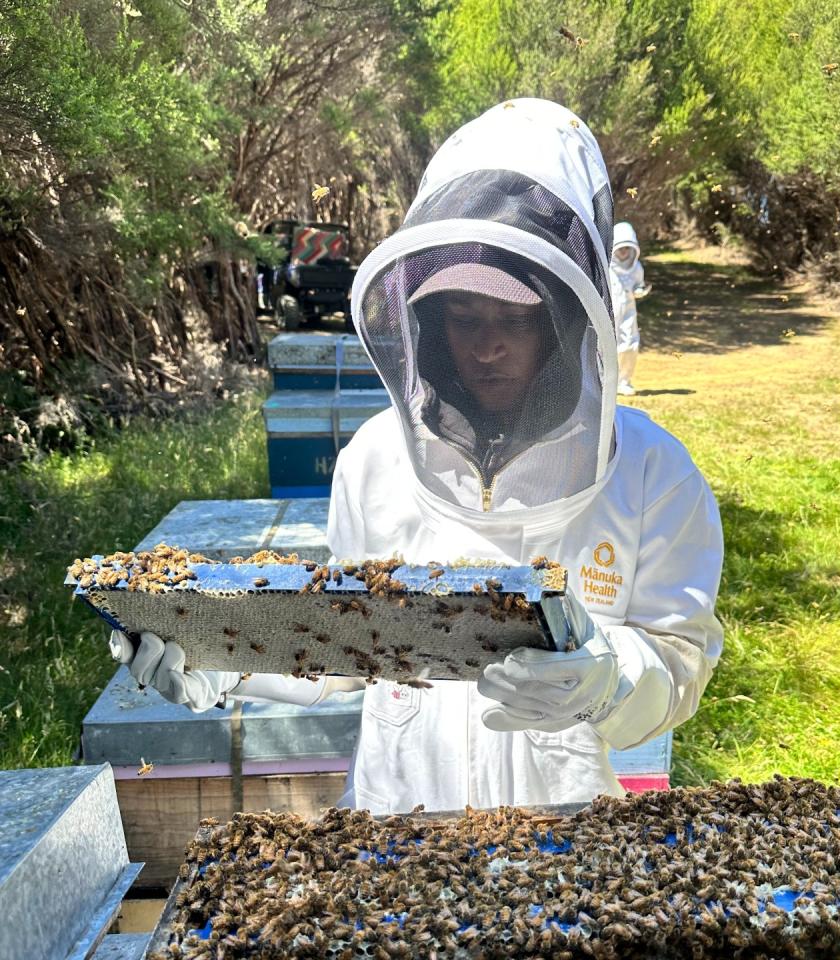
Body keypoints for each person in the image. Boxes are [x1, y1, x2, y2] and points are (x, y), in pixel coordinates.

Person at [111, 98, 723, 814]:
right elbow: (342, 655)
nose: (486, 344)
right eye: (463, 317)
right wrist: (226, 663)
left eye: (514, 317)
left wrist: (611, 678)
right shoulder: (375, 461)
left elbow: (680, 668)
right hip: (394, 827)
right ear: (424, 321)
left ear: (564, 319)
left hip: (568, 847)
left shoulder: (654, 476)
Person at [609, 221, 649, 397]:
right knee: (607, 345)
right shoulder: (607, 267)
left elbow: (638, 285)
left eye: (627, 248)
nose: (624, 252)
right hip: (609, 312)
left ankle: (624, 381)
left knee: (630, 344)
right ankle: (606, 381)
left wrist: (639, 291)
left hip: (629, 311)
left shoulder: (636, 268)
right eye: (620, 248)